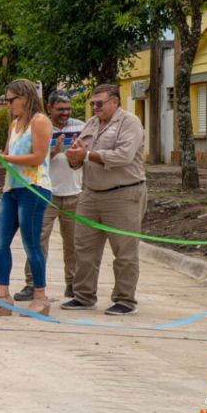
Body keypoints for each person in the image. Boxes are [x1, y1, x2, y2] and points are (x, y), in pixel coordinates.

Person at [62, 84, 146, 316]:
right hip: (90, 194)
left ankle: (125, 300)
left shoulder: (130, 123)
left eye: (100, 103)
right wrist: (74, 157)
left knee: (125, 250)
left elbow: (123, 156)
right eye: (92, 104)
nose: (95, 108)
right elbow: (79, 157)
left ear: (115, 102)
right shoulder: (90, 124)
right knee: (84, 248)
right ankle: (83, 296)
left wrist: (87, 155)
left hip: (123, 193)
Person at [0, 79, 53, 317]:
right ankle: (2, 297)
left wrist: (6, 159)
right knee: (0, 241)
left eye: (11, 99)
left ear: (25, 97)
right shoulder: (14, 124)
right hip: (11, 189)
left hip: (33, 188)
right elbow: (9, 155)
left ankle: (40, 297)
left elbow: (38, 157)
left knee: (31, 243)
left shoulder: (40, 121)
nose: (9, 104)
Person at [15, 90, 84, 301]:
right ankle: (32, 283)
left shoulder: (81, 127)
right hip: (45, 193)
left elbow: (83, 159)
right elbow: (33, 157)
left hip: (74, 192)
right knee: (37, 240)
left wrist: (76, 155)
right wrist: (52, 152)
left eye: (68, 109)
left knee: (73, 243)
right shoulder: (40, 126)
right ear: (50, 108)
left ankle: (72, 284)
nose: (65, 113)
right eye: (60, 109)